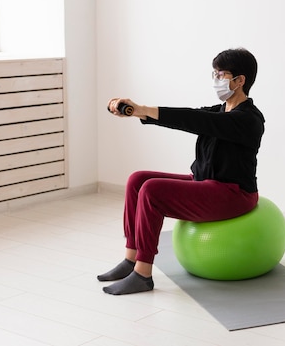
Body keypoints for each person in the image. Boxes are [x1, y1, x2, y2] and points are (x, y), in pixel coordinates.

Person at [98, 48, 265, 295]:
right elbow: (191, 116)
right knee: (138, 179)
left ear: (240, 80)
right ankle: (130, 259)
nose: (216, 80)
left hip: (234, 194)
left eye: (222, 75)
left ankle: (142, 274)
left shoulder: (249, 119)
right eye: (215, 74)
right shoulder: (219, 111)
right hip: (205, 182)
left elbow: (194, 120)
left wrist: (143, 107)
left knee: (152, 190)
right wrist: (137, 112)